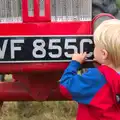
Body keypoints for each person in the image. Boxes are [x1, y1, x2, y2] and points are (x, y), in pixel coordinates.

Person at [59, 19, 120, 120]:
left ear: (104, 54)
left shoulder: (96, 78)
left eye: (95, 46)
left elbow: (66, 87)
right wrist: (105, 63)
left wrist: (75, 63)